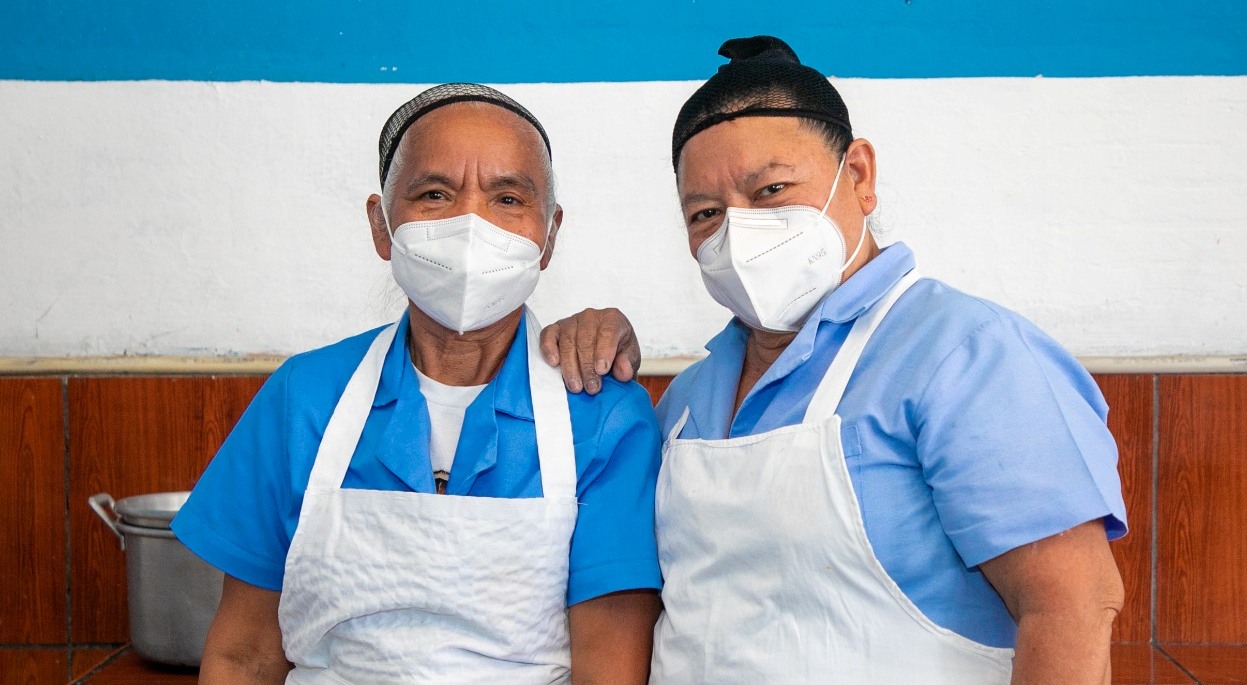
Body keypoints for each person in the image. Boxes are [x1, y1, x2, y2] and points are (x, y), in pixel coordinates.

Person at [540, 37, 1126, 683]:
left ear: (859, 174)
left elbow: (1071, 604)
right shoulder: (686, 399)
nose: (737, 232)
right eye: (705, 213)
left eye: (770, 189)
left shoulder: (965, 353)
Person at [172, 83, 663, 685]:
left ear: (550, 235)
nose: (471, 225)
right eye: (435, 194)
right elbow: (243, 655)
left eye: (508, 197)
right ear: (382, 226)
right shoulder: (304, 399)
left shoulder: (602, 415)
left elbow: (609, 668)